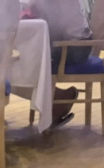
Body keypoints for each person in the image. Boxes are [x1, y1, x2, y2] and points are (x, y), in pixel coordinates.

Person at [28, 0, 93, 129]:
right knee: (29, 58)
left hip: (77, 46)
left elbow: (61, 27)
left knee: (33, 59)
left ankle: (56, 102)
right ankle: (58, 97)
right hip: (67, 42)